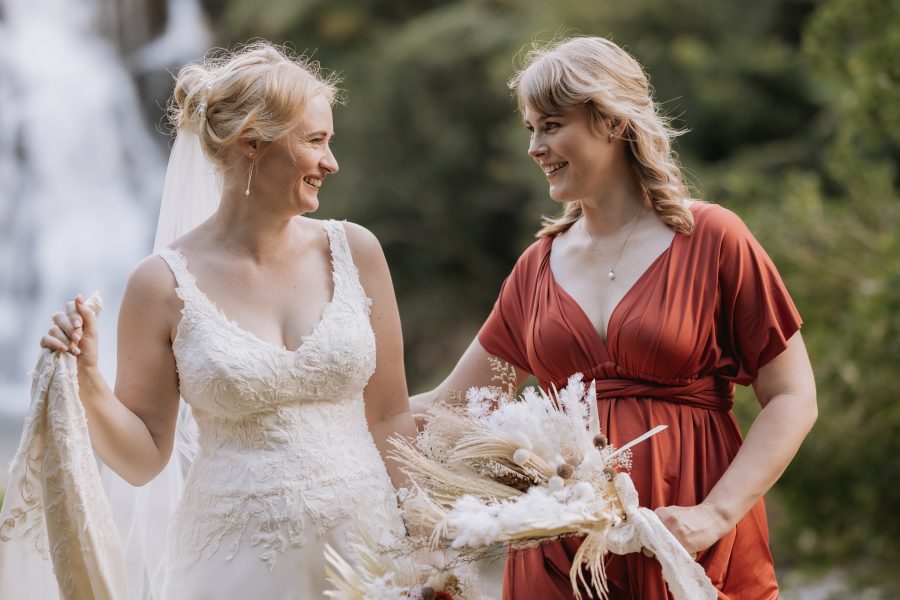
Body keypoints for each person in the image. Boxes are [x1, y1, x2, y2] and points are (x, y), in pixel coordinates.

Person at [411, 36, 817, 599]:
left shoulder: (714, 240)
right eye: (530, 128)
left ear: (609, 121)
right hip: (563, 558)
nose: (534, 146)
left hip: (690, 539)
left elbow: (793, 395)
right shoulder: (535, 269)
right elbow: (452, 406)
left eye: (551, 125)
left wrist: (716, 513)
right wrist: (325, 409)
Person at [40, 42, 416, 599]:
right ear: (253, 143)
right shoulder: (160, 284)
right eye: (316, 141)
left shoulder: (356, 251)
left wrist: (426, 535)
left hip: (370, 550)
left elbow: (389, 416)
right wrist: (89, 381)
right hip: (234, 568)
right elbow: (143, 460)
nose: (331, 162)